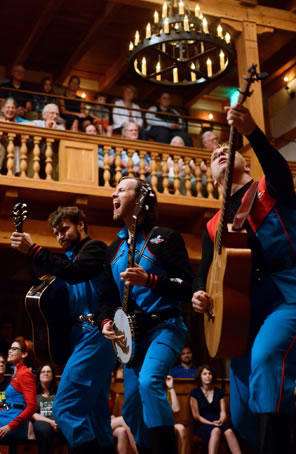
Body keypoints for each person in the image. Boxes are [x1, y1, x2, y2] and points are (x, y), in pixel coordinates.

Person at [191, 103, 296, 454]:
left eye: (228, 149)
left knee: (267, 360)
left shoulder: (271, 188)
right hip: (242, 313)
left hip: (287, 293)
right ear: (212, 179)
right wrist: (198, 294)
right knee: (241, 407)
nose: (221, 151)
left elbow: (279, 167)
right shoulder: (213, 225)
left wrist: (251, 131)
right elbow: (205, 271)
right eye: (214, 155)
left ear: (245, 163)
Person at [97, 177, 193, 454]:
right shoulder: (113, 249)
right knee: (132, 408)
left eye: (122, 189)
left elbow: (187, 286)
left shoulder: (165, 237)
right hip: (131, 339)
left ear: (141, 199)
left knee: (150, 382)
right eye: (114, 189)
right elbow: (106, 299)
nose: (113, 194)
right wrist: (105, 322)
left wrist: (150, 280)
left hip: (166, 327)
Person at [10, 206, 117, 454]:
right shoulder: (69, 259)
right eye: (56, 232)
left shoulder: (95, 249)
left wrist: (34, 249)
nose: (60, 236)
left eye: (65, 229)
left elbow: (76, 274)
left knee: (64, 408)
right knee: (96, 414)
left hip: (96, 335)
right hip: (81, 339)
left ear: (81, 225)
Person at [190, 365, 242, 454]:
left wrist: (220, 421)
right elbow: (196, 416)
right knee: (216, 430)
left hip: (218, 421)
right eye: (205, 374)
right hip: (203, 423)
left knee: (229, 431)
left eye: (210, 373)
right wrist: (210, 423)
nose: (208, 376)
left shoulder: (218, 392)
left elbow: (223, 412)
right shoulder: (195, 393)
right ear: (200, 376)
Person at [0, 337, 37, 440]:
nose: (10, 351)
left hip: (13, 422)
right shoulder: (15, 373)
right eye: (10, 348)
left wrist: (9, 426)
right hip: (6, 416)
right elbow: (9, 403)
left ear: (24, 354)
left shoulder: (25, 374)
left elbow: (32, 407)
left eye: (14, 348)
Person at [30, 364, 62, 454]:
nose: (46, 374)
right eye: (43, 372)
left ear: (52, 375)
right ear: (39, 375)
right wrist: (50, 422)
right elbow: (31, 413)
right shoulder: (34, 394)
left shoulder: (59, 394)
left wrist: (57, 422)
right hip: (42, 423)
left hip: (58, 422)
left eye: (48, 372)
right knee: (45, 430)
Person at [165, 375, 187, 454]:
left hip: (167, 423)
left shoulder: (167, 390)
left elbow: (176, 409)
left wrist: (171, 386)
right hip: (154, 424)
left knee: (181, 428)